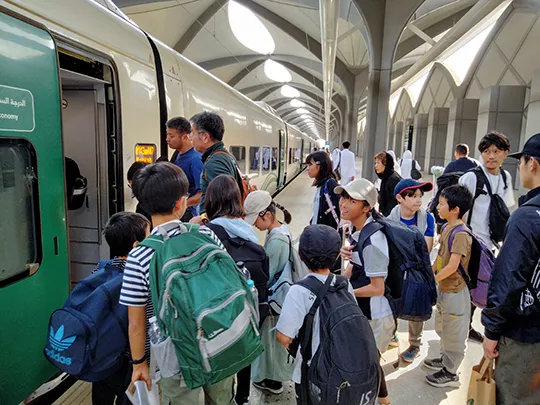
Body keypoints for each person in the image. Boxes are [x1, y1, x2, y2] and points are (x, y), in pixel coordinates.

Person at [118, 162, 233, 405]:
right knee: (221, 399)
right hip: (218, 338)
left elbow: (136, 323)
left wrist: (139, 364)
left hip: (175, 353)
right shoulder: (206, 234)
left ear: (144, 204)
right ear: (181, 203)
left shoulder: (138, 256)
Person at [482, 134, 540, 405]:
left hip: (525, 334)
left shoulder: (526, 218)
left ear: (533, 164)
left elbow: (508, 280)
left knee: (516, 397)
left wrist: (492, 330)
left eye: (522, 161)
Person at [203, 174, 270, 405]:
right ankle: (242, 396)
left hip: (217, 317)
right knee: (244, 349)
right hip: (250, 312)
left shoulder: (206, 234)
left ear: (210, 202)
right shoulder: (250, 237)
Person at [275, 224, 356, 405]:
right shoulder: (344, 284)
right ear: (337, 256)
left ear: (300, 255)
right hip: (341, 364)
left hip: (312, 372)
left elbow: (283, 337)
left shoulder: (299, 291)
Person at [336, 178, 393, 405]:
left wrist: (346, 292)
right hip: (366, 312)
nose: (343, 204)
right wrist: (342, 279)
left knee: (368, 366)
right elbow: (356, 266)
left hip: (377, 315)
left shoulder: (373, 241)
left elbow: (378, 288)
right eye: (343, 197)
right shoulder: (359, 231)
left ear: (367, 207)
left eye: (352, 200)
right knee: (370, 364)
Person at [458, 132, 515, 343]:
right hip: (471, 242)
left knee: (479, 287)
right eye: (486, 151)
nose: (491, 156)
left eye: (496, 151)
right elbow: (458, 211)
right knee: (464, 289)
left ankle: (466, 328)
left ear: (505, 153)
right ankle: (458, 333)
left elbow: (507, 209)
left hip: (491, 245)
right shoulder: (471, 178)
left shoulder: (506, 177)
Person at [91, 212, 150, 405]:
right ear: (137, 246)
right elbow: (144, 322)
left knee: (101, 398)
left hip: (102, 355)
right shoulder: (140, 276)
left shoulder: (100, 270)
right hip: (130, 359)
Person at [243, 190, 295, 397]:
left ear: (266, 214)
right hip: (280, 298)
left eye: (255, 219)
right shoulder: (281, 230)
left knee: (271, 342)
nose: (254, 225)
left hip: (274, 300)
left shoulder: (276, 241)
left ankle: (271, 379)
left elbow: (268, 274)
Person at [424, 185, 473, 388]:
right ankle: (445, 360)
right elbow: (441, 258)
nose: (437, 206)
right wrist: (431, 272)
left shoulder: (461, 234)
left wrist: (433, 280)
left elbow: (453, 266)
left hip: (455, 291)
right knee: (444, 326)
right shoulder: (446, 227)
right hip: (444, 288)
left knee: (454, 333)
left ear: (455, 209)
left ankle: (451, 373)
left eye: (442, 204)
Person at [388, 179, 435, 363]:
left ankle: (415, 344)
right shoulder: (390, 219)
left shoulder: (427, 218)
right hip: (395, 270)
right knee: (392, 303)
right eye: (413, 196)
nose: (418, 200)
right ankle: (392, 334)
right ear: (400, 198)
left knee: (417, 305)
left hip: (418, 270)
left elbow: (426, 249)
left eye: (420, 196)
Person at [189, 111, 243, 222]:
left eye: (192, 133)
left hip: (216, 227)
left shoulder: (215, 163)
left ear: (205, 137)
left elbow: (224, 206)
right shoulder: (225, 155)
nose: (190, 137)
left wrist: (202, 219)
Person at [166, 116, 203, 222]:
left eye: (171, 136)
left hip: (189, 214)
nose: (167, 139)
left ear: (185, 137)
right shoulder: (178, 155)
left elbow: (202, 194)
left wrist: (182, 205)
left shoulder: (196, 159)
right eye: (167, 135)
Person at [306, 151, 340, 229]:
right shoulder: (322, 185)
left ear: (320, 166)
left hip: (325, 233)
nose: (307, 168)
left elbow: (335, 211)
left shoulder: (329, 184)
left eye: (310, 165)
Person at [374, 151, 402, 216]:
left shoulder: (393, 179)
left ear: (386, 164)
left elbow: (393, 203)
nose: (375, 166)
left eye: (378, 163)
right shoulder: (385, 177)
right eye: (375, 163)